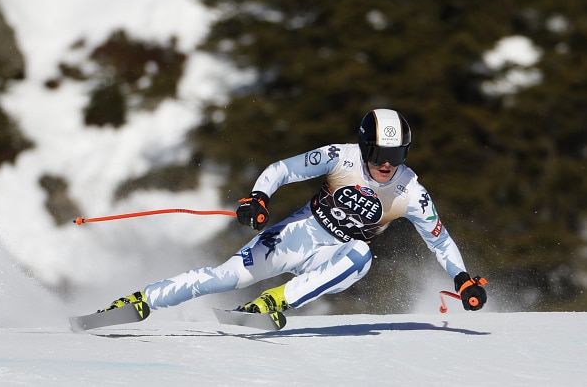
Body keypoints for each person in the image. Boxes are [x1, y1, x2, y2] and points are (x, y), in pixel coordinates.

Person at [100, 108, 487, 318]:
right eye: (379, 155)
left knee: (362, 254)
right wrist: (260, 198)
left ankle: (277, 300)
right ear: (364, 147)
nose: (386, 164)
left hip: (338, 257)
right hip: (301, 231)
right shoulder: (339, 157)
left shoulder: (411, 191)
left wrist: (462, 279)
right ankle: (141, 300)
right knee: (225, 278)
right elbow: (282, 169)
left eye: (396, 156)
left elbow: (440, 240)